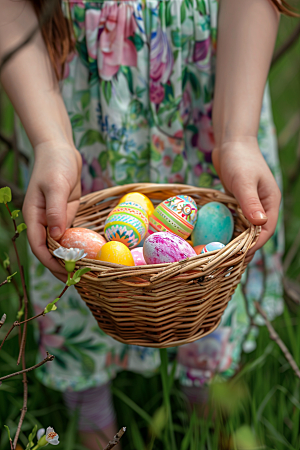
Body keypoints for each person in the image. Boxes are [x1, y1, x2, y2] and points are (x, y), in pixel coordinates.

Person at [0, 0, 293, 448]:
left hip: (214, 92)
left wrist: (237, 136)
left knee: (205, 280)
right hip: (75, 106)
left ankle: (209, 414)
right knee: (87, 262)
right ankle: (93, 426)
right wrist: (51, 141)